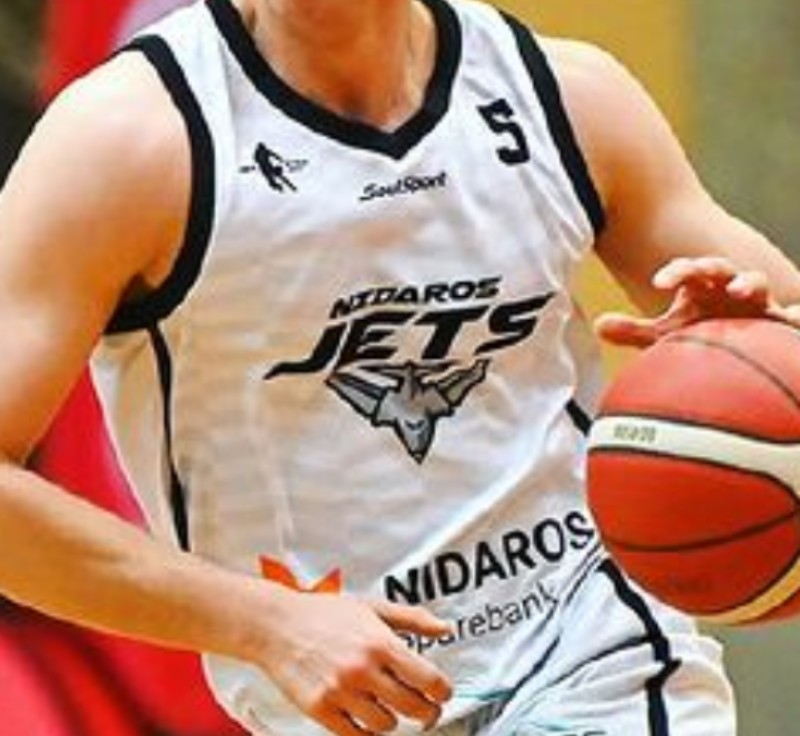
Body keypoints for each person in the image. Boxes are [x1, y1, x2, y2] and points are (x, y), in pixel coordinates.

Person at [0, 0, 799, 734]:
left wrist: (748, 342)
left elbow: (785, 335)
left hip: (594, 657)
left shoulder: (560, 94)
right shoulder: (131, 140)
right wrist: (263, 622)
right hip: (342, 708)